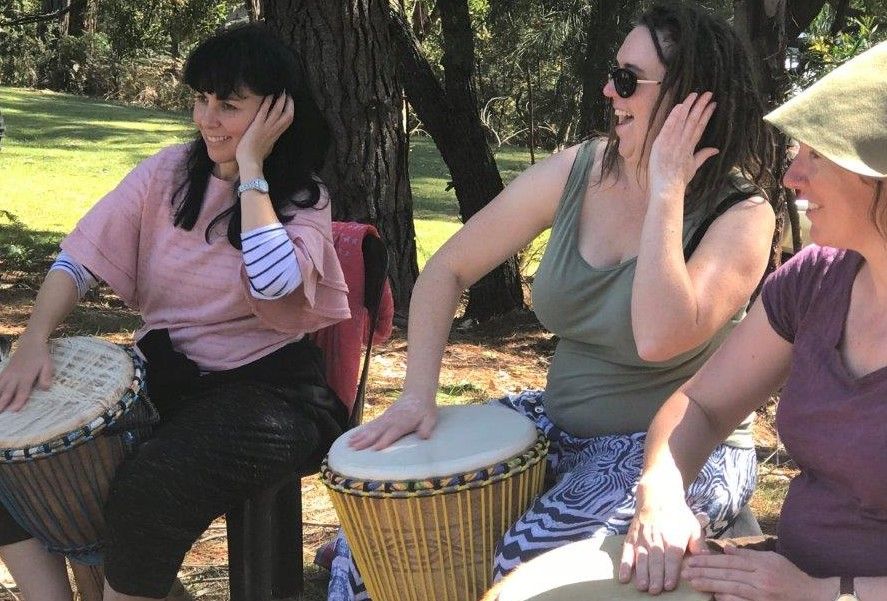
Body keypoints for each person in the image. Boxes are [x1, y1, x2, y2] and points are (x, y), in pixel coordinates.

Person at [326, 3, 778, 599]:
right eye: (612, 73)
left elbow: (659, 336)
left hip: (677, 456)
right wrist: (417, 397)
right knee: (379, 547)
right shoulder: (580, 170)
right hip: (557, 423)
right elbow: (448, 268)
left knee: (526, 561)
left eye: (626, 80)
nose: (607, 91)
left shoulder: (742, 215)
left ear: (691, 100)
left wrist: (667, 189)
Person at [0, 23, 350, 601]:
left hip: (267, 395)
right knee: (14, 457)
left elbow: (272, 281)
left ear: (277, 113)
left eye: (229, 106)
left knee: (151, 487)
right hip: (163, 380)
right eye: (201, 100)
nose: (207, 119)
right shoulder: (165, 173)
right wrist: (36, 337)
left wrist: (252, 170)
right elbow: (78, 260)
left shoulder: (301, 199)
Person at [620, 41, 887, 601]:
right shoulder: (814, 281)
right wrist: (661, 496)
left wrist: (824, 594)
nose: (792, 175)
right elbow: (703, 403)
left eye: (819, 154)